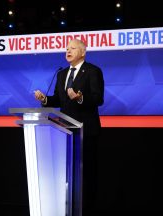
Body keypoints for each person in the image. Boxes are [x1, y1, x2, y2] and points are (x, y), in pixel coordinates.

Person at [34, 39, 104, 216]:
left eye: (72, 48)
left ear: (82, 52)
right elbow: (58, 99)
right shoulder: (62, 73)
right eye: (66, 48)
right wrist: (45, 100)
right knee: (69, 174)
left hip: (86, 131)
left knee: (87, 174)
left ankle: (88, 209)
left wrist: (80, 97)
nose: (68, 51)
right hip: (65, 131)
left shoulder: (93, 71)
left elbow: (98, 98)